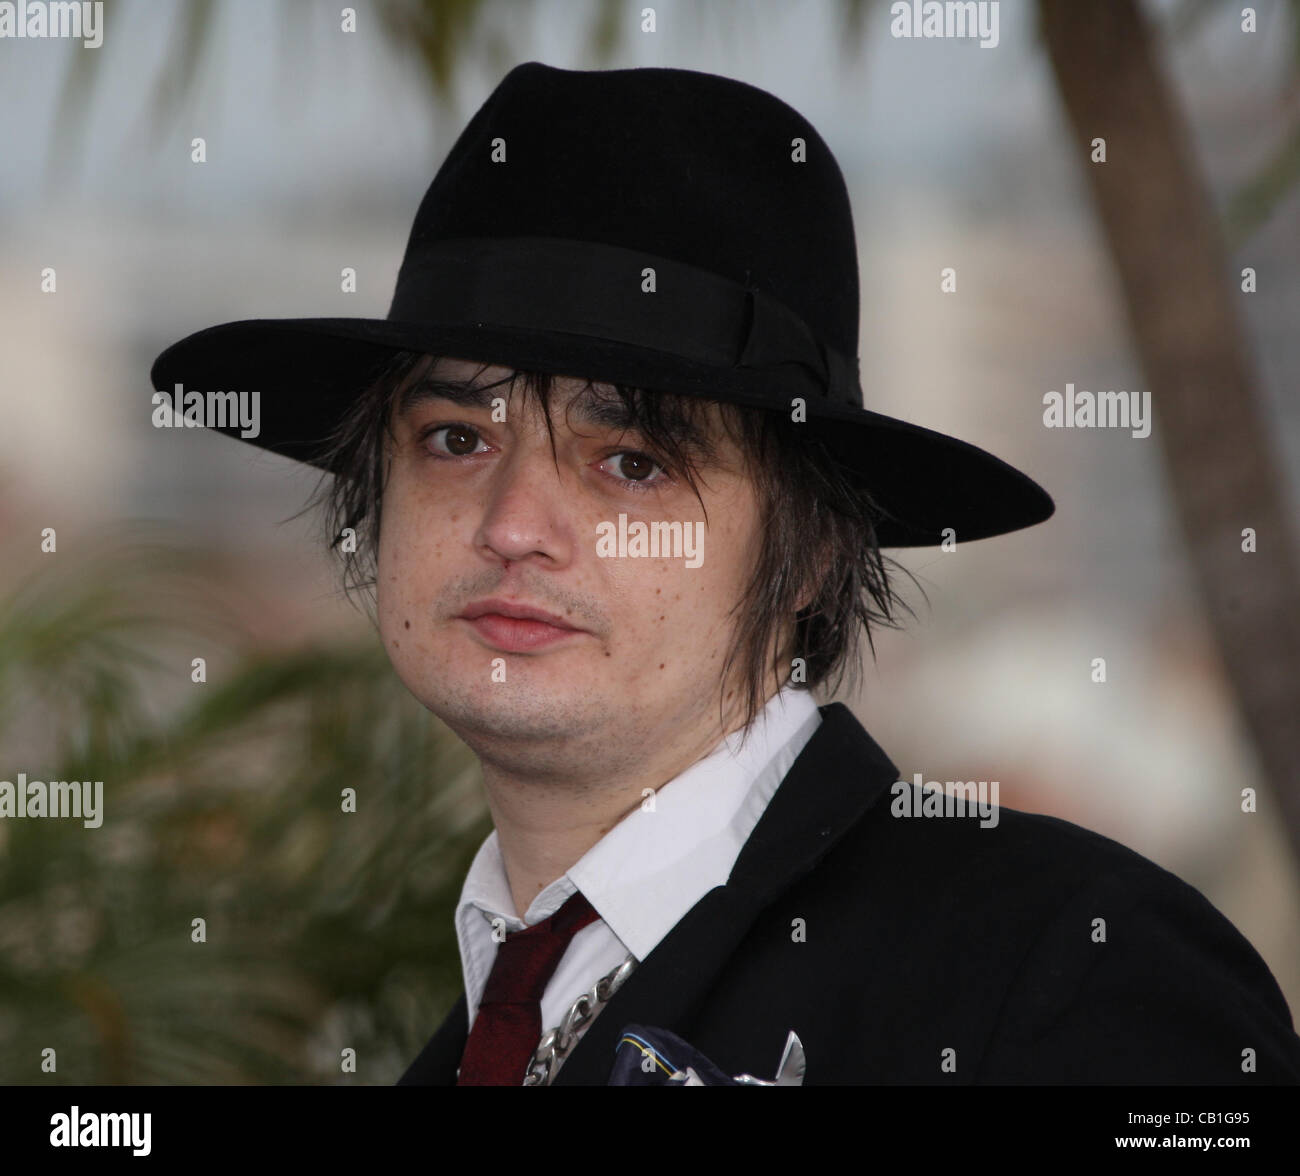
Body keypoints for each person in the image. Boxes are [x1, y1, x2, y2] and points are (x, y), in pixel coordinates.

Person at [151, 62, 1300, 1086]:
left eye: (632, 462)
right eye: (458, 439)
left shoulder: (1065, 970)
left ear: (811, 551)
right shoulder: (472, 1041)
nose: (513, 525)